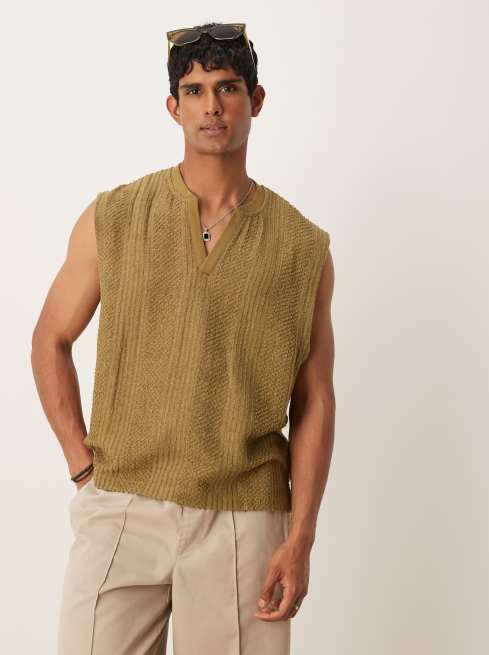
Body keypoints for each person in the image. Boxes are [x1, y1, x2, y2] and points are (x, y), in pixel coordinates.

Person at [30, 21, 336, 655]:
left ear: (256, 100)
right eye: (194, 91)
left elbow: (314, 399)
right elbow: (50, 338)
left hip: (244, 519)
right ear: (173, 108)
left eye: (227, 88)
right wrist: (83, 469)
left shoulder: (302, 247)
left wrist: (300, 536)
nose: (211, 106)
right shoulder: (114, 216)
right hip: (122, 506)